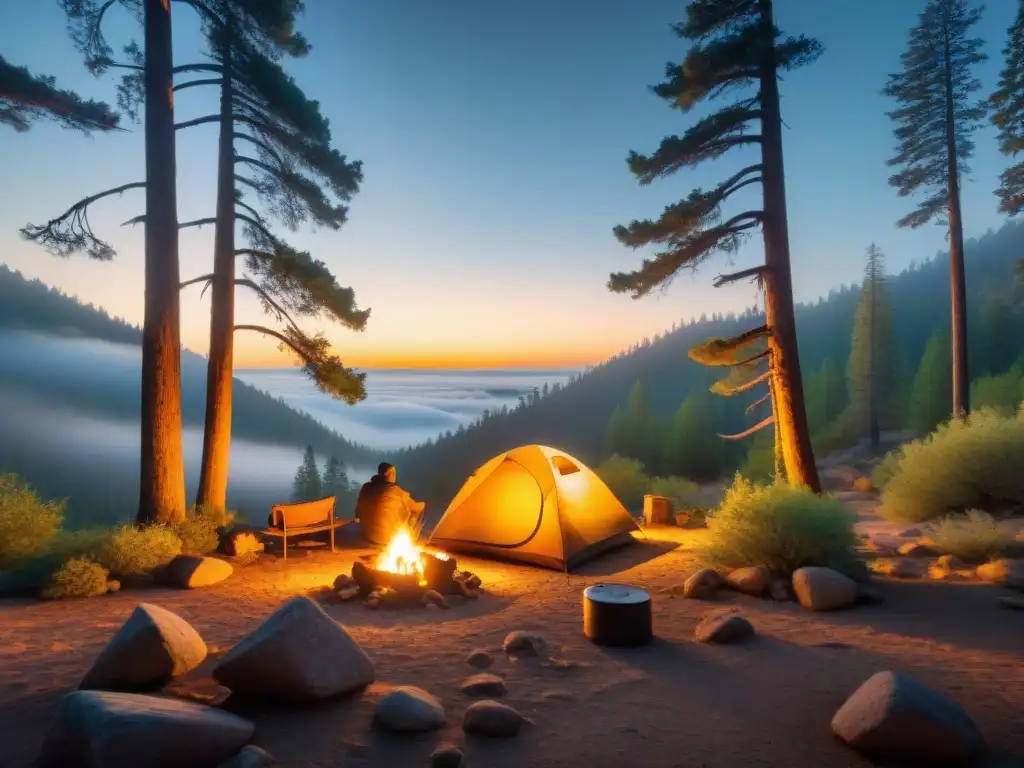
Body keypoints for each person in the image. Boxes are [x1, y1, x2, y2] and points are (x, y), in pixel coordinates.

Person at [355, 462, 426, 546]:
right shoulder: (396, 491)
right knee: (414, 512)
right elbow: (417, 507)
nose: (394, 475)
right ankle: (411, 541)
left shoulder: (366, 487)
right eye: (392, 472)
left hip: (367, 535)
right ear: (385, 474)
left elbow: (358, 513)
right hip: (387, 539)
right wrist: (425, 504)